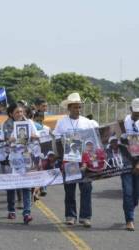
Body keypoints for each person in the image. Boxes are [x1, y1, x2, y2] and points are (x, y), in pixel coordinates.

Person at [53, 92, 98, 228]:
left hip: (85, 161)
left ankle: (85, 217)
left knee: (86, 188)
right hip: (69, 160)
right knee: (70, 190)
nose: (77, 110)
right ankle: (70, 216)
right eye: (75, 107)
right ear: (69, 108)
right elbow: (56, 140)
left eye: (79, 107)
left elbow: (93, 140)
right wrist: (62, 158)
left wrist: (90, 158)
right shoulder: (62, 122)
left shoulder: (87, 122)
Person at [0, 102, 39, 224]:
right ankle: (11, 210)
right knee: (11, 185)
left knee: (26, 185)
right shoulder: (6, 125)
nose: (19, 114)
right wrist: (9, 139)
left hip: (26, 157)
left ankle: (27, 213)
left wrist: (33, 135)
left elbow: (37, 136)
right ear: (11, 114)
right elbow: (2, 139)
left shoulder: (29, 123)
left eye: (21, 112)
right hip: (12, 158)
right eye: (17, 112)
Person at [106, 136, 139, 231]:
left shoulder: (125, 146)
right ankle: (129, 220)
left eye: (116, 141)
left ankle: (129, 207)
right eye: (112, 142)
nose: (114, 143)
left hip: (137, 168)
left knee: (136, 195)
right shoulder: (108, 151)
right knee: (128, 193)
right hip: (125, 171)